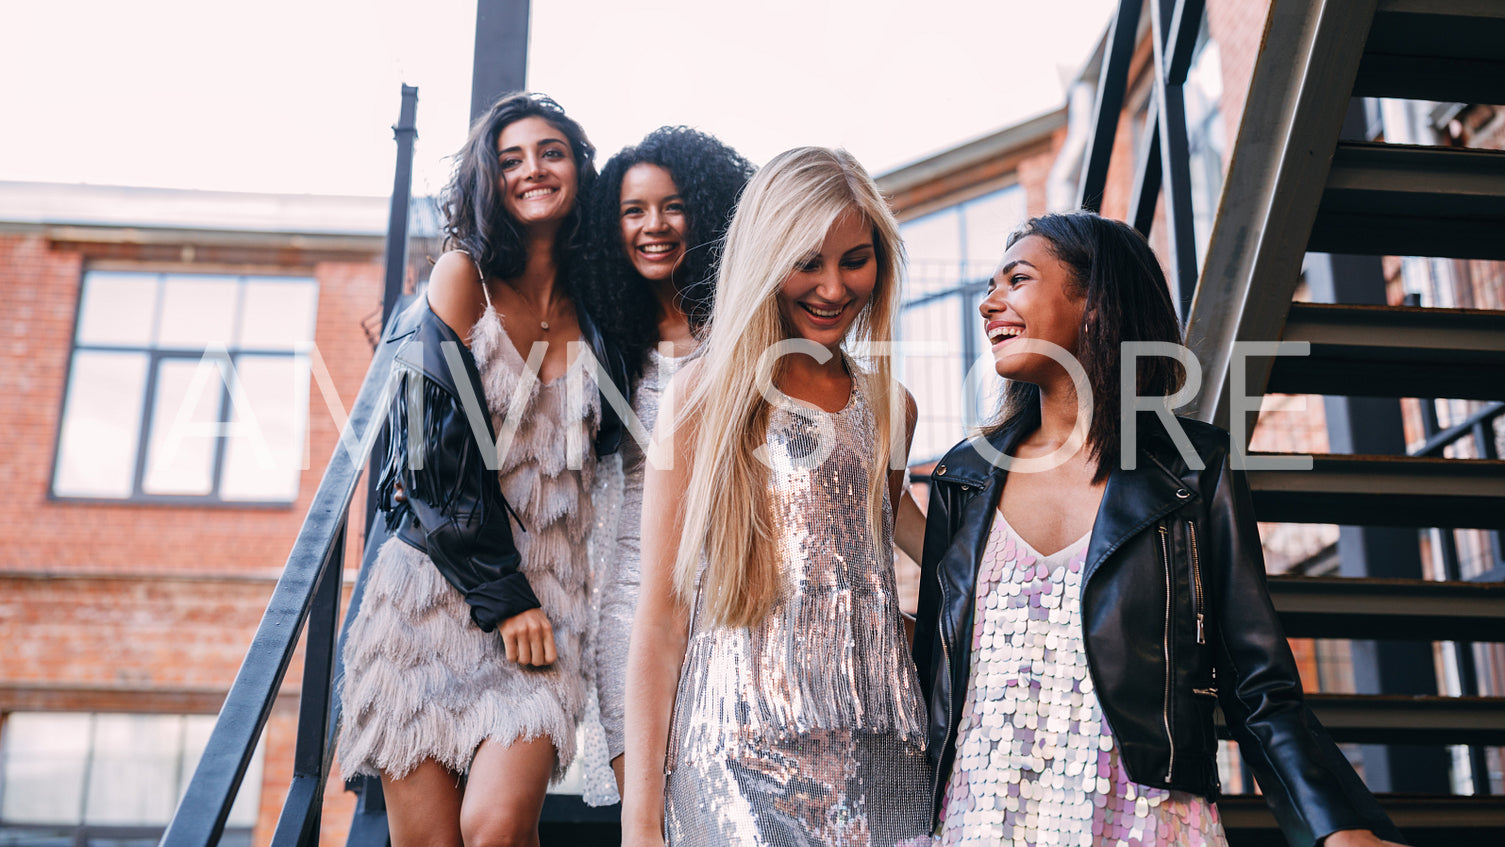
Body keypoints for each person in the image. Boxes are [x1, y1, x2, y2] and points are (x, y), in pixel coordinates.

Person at [912, 211, 1407, 847]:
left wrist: (1333, 826)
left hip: (1144, 822)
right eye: (990, 286)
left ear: (1095, 302)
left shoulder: (1192, 469)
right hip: (982, 822)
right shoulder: (965, 477)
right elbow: (933, 672)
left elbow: (1258, 684)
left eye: (1017, 279)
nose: (989, 303)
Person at [336, 92, 626, 847]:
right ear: (487, 182)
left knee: (496, 826)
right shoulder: (460, 276)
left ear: (578, 169)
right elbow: (428, 457)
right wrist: (502, 596)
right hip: (428, 598)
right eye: (510, 160)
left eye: (550, 152)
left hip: (548, 600)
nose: (532, 169)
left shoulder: (602, 301)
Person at [621, 147, 932, 847]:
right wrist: (639, 824)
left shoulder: (890, 406)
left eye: (854, 259)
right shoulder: (704, 395)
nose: (832, 286)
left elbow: (888, 528)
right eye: (806, 261)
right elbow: (661, 616)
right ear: (765, 258)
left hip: (878, 745)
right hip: (738, 754)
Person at [576, 125, 755, 794]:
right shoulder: (599, 337)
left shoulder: (749, 330)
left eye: (672, 205)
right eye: (633, 210)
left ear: (707, 211)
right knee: (648, 818)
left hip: (743, 601)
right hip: (631, 606)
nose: (653, 225)